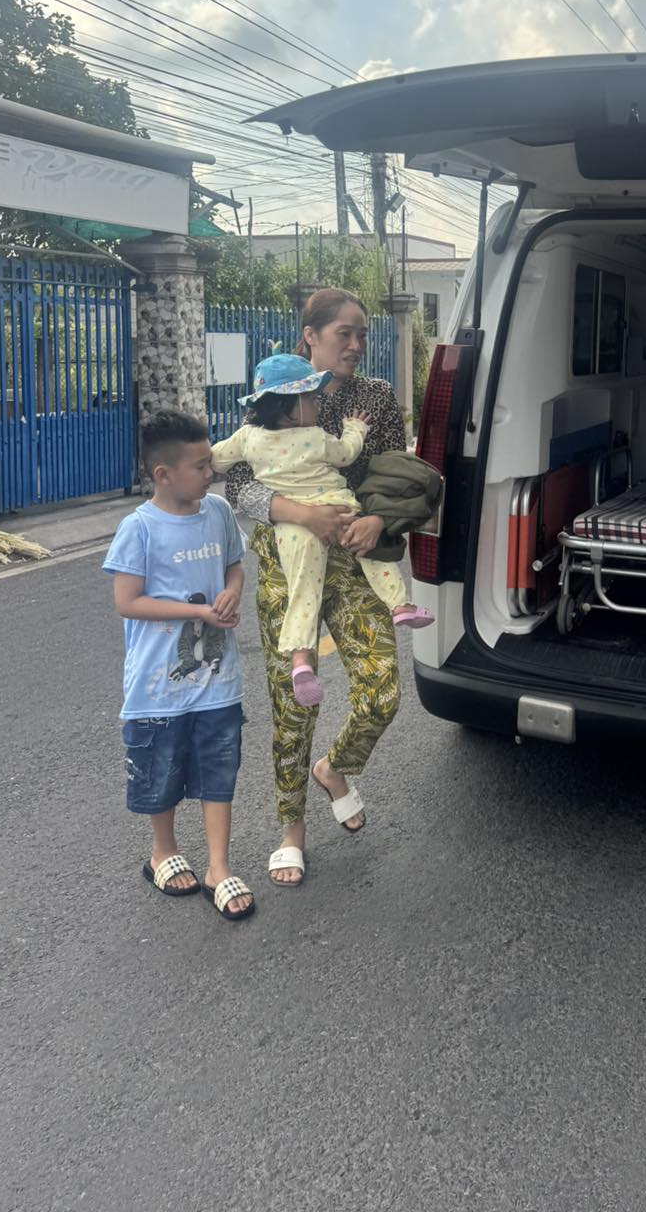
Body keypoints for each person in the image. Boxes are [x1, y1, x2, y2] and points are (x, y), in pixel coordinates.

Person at [221, 289, 408, 889]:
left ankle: (336, 767)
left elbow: (395, 477)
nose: (355, 345)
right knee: (293, 703)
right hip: (287, 562)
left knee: (382, 690)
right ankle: (291, 831)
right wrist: (300, 513)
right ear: (310, 336)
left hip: (354, 563)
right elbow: (238, 484)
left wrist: (379, 519)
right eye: (343, 334)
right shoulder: (276, 389)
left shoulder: (375, 397)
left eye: (362, 334)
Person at [211, 353, 433, 709]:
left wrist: (196, 464)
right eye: (311, 399)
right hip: (339, 509)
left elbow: (217, 459)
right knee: (372, 553)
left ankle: (300, 661)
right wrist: (356, 427)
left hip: (292, 530)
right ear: (290, 409)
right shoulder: (315, 437)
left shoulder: (248, 437)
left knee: (302, 589)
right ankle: (400, 604)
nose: (317, 404)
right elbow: (347, 453)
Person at [104, 410, 255, 922]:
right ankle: (162, 852)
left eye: (210, 462)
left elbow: (234, 565)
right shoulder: (139, 528)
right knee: (160, 769)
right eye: (200, 466)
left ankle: (218, 866)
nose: (211, 473)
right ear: (163, 474)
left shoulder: (218, 512)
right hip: (157, 686)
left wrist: (231, 592)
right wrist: (197, 612)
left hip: (219, 679)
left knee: (219, 767)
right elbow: (127, 601)